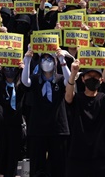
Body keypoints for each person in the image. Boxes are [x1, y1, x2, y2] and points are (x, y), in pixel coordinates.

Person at [21, 48, 71, 177]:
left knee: (58, 165)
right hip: (38, 128)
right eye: (44, 58)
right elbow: (25, 82)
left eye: (50, 59)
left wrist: (62, 61)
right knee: (38, 165)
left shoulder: (59, 79)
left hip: (57, 127)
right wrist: (27, 60)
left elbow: (70, 80)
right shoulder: (36, 78)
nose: (46, 62)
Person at [65, 60, 105, 177]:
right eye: (89, 76)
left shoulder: (104, 99)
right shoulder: (77, 98)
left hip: (101, 154)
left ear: (101, 80)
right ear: (83, 79)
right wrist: (73, 74)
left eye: (96, 76)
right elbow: (68, 97)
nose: (92, 79)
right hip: (78, 154)